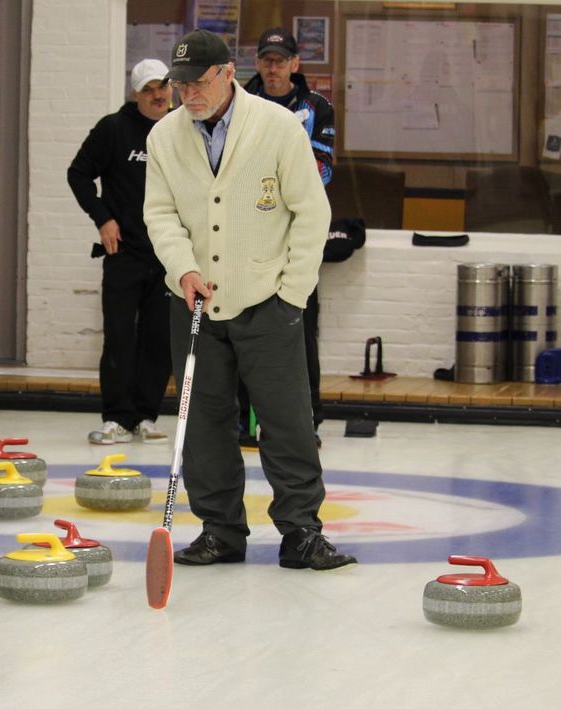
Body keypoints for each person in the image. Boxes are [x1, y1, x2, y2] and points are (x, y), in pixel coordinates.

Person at [144, 29, 356, 571]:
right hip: (192, 302)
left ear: (226, 74)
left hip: (267, 300)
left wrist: (292, 294)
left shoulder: (278, 126)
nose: (188, 94)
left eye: (198, 82)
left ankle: (301, 532)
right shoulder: (164, 136)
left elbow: (312, 212)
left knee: (287, 421)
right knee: (204, 423)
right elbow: (160, 214)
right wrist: (183, 268)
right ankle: (220, 530)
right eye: (180, 85)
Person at [67, 58, 174, 445]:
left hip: (168, 253)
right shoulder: (113, 128)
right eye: (148, 90)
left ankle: (146, 415)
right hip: (124, 252)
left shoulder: (183, 129)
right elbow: (78, 173)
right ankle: (117, 417)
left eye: (162, 87)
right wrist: (103, 218)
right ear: (135, 94)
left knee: (159, 339)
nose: (157, 95)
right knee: (119, 336)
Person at [240, 26, 336, 448]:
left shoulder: (317, 106)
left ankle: (306, 421)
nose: (273, 68)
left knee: (299, 330)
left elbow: (324, 170)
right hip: (247, 235)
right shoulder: (240, 99)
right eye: (266, 60)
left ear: (295, 64)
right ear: (257, 63)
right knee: (242, 330)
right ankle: (244, 421)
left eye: (280, 61)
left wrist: (276, 179)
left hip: (297, 236)